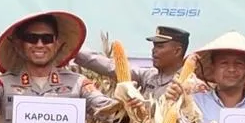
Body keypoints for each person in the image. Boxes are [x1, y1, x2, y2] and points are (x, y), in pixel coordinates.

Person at [75, 25, 203, 98]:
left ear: (177, 51)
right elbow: (110, 67)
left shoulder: (192, 85)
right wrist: (72, 49)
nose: (154, 51)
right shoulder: (149, 76)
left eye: (160, 46)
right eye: (154, 46)